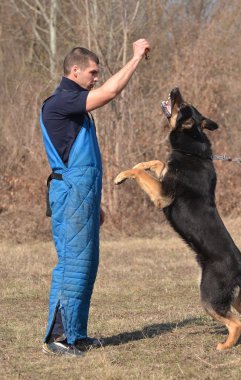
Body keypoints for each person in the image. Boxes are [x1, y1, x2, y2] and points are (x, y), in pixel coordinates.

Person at [40, 39, 150, 357]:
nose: (96, 78)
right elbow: (111, 93)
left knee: (87, 265)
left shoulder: (76, 106)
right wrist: (135, 58)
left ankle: (76, 335)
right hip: (70, 194)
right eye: (93, 72)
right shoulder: (61, 101)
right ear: (74, 71)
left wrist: (95, 203)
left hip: (82, 198)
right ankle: (57, 338)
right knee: (73, 266)